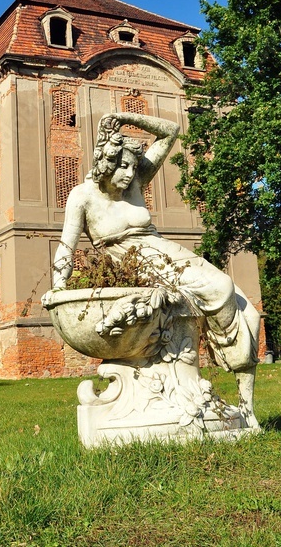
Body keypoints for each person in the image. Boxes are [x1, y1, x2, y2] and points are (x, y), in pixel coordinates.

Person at [52, 112, 261, 418]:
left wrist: (125, 117)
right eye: (122, 166)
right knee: (222, 286)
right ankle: (214, 364)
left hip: (165, 252)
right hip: (136, 263)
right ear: (106, 163)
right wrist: (58, 286)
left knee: (247, 311)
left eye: (132, 167)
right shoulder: (82, 197)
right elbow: (66, 246)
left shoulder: (135, 181)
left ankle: (247, 410)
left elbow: (170, 132)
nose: (128, 173)